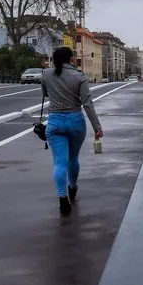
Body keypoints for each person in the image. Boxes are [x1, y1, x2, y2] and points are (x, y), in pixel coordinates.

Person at [41, 47, 103, 216]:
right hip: (75, 121)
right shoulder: (79, 76)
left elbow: (45, 93)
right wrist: (97, 127)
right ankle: (72, 187)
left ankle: (62, 199)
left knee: (59, 162)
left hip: (55, 122)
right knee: (73, 158)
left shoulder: (46, 74)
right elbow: (88, 104)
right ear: (71, 59)